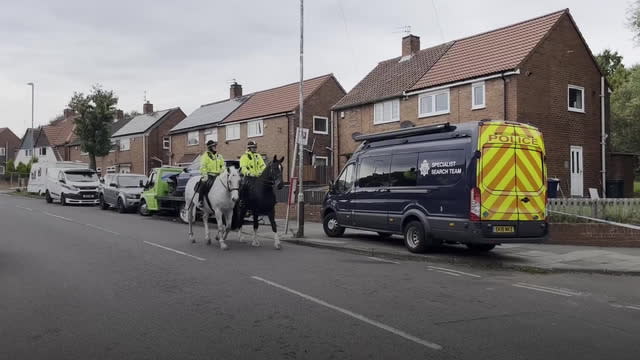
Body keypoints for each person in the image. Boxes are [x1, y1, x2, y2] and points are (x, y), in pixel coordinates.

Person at [197, 140, 225, 207]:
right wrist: (205, 175)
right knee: (203, 183)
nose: (215, 147)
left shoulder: (219, 156)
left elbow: (223, 165)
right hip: (209, 175)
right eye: (213, 146)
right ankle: (200, 201)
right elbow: (202, 167)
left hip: (218, 176)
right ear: (209, 147)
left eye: (215, 146)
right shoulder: (205, 156)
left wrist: (222, 171)